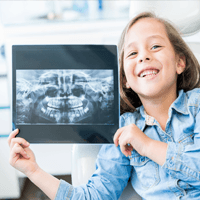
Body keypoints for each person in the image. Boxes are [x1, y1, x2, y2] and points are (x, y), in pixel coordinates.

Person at [8, 12, 200, 199]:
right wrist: (33, 170)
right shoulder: (123, 131)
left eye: (155, 46)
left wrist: (147, 145)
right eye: (133, 53)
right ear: (125, 79)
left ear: (180, 62)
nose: (143, 56)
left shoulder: (197, 105)